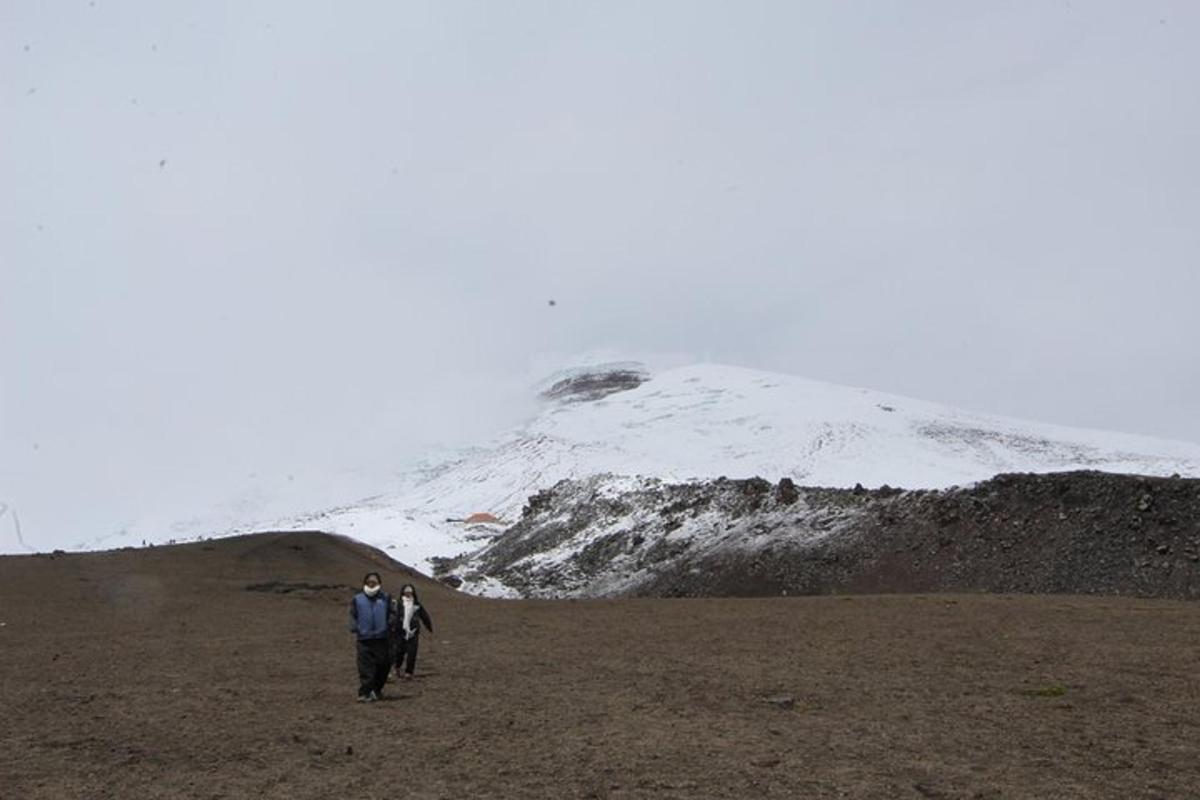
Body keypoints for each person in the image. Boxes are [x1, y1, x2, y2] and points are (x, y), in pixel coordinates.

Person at [349, 572, 393, 702]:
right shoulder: (358, 599)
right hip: (364, 638)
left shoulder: (386, 597)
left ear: (379, 583)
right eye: (369, 581)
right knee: (365, 667)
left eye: (374, 581)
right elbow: (352, 614)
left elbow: (392, 612)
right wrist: (355, 627)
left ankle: (377, 689)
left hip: (382, 637)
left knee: (383, 665)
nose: (372, 583)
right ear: (365, 582)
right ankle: (365, 692)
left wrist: (389, 623)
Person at [392, 583, 433, 680]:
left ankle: (409, 672)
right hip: (400, 631)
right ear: (403, 592)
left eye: (410, 591)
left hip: (413, 631)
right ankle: (397, 667)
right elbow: (394, 616)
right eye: (406, 591)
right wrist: (393, 627)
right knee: (399, 652)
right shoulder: (398, 603)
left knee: (412, 652)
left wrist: (429, 626)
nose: (408, 593)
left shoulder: (417, 604)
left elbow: (424, 615)